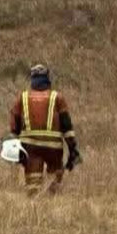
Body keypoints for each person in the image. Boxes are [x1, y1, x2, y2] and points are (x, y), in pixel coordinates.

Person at [7, 64, 81, 196]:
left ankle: (34, 205)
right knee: (54, 180)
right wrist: (72, 148)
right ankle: (51, 202)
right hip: (53, 147)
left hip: (30, 147)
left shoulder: (23, 97)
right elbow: (67, 126)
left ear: (32, 79)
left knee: (33, 184)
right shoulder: (57, 97)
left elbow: (14, 124)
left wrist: (13, 141)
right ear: (47, 78)